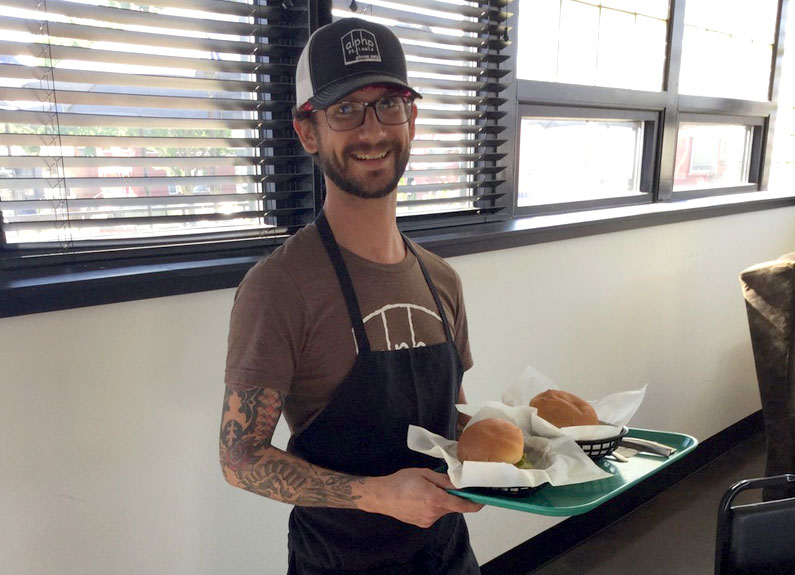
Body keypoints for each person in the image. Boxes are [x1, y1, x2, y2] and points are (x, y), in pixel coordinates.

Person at [219, 17, 483, 574]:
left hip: (449, 561)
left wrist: (518, 457)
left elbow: (451, 423)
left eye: (388, 105)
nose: (371, 131)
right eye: (345, 109)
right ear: (308, 131)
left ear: (411, 119)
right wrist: (377, 495)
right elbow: (240, 459)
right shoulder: (280, 287)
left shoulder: (443, 280)